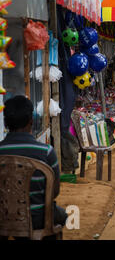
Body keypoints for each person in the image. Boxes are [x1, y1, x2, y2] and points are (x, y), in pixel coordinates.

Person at [0, 95, 67, 234]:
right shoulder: (46, 152)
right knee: (63, 215)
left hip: (3, 217)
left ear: (5, 123)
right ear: (31, 121)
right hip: (38, 219)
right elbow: (54, 192)